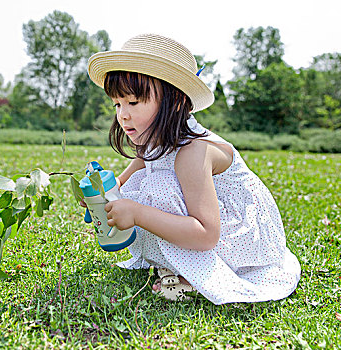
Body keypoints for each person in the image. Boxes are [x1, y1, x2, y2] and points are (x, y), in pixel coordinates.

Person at [85, 33, 301, 304]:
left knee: (158, 192)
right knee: (139, 187)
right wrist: (106, 195)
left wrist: (138, 213)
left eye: (133, 102)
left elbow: (207, 234)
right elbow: (132, 173)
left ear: (174, 102)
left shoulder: (194, 153)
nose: (122, 114)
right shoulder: (156, 140)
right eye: (117, 103)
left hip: (237, 236)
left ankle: (204, 275)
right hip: (209, 224)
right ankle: (181, 264)